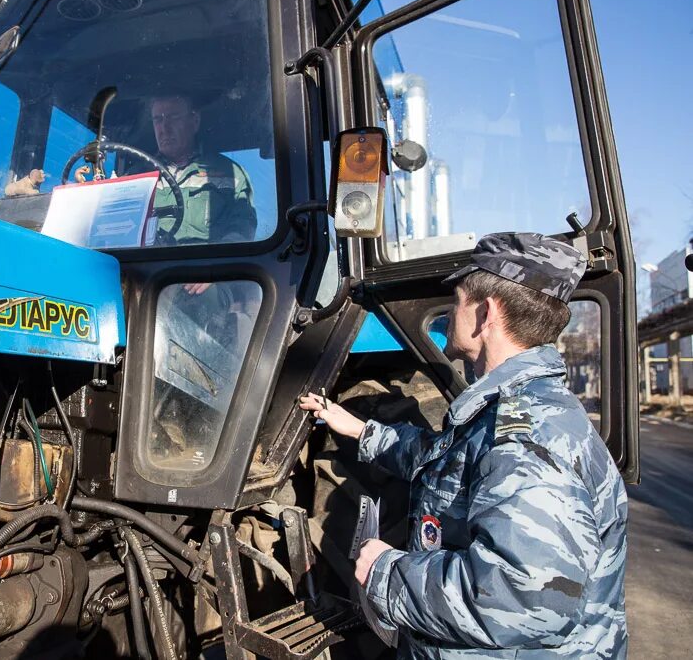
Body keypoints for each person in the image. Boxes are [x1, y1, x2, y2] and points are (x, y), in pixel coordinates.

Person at [299, 232, 628, 659]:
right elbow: (448, 465)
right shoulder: (514, 411)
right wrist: (362, 431)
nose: (451, 313)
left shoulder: (525, 438)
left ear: (485, 314)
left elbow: (525, 600)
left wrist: (386, 572)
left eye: (457, 301)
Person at [145, 93, 257, 248]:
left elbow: (242, 226)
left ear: (195, 121)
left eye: (174, 117)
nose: (165, 128)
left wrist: (216, 260)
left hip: (207, 268)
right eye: (158, 119)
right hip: (147, 268)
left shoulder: (231, 173)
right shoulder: (135, 177)